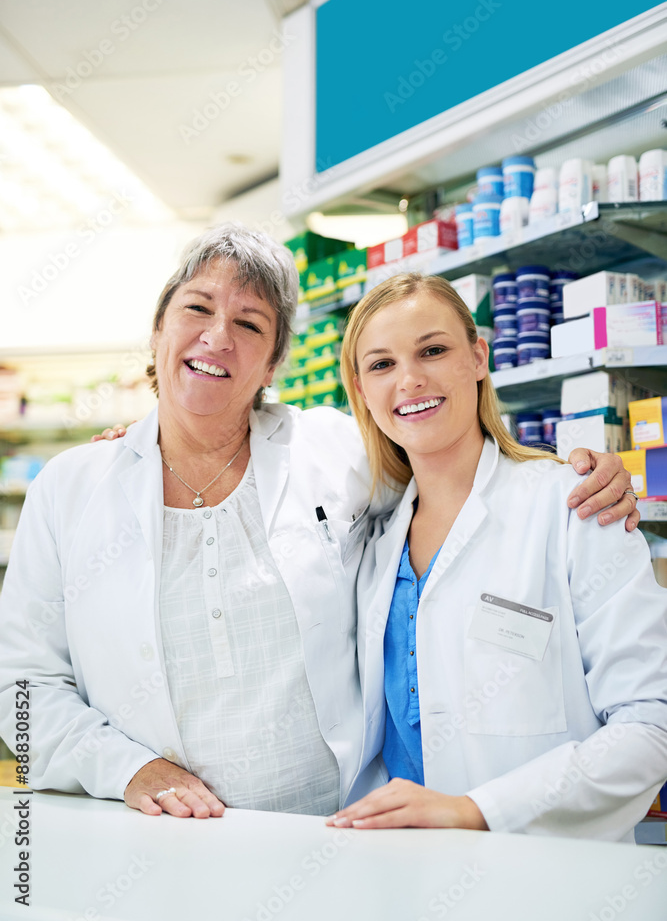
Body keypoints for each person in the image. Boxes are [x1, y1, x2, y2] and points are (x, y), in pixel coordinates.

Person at [0, 226, 637, 822]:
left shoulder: (335, 452)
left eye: (249, 324)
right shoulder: (72, 488)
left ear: (273, 363)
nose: (218, 337)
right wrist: (127, 769)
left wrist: (576, 473)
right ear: (157, 330)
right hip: (153, 837)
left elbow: (448, 455)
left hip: (333, 839)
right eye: (197, 309)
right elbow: (20, 687)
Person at [325, 272, 667, 842]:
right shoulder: (374, 544)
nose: (410, 379)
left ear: (477, 357)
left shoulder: (575, 504)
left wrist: (478, 810)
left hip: (550, 878)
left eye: (432, 350)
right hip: (401, 869)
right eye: (381, 365)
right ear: (361, 390)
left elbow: (652, 721)